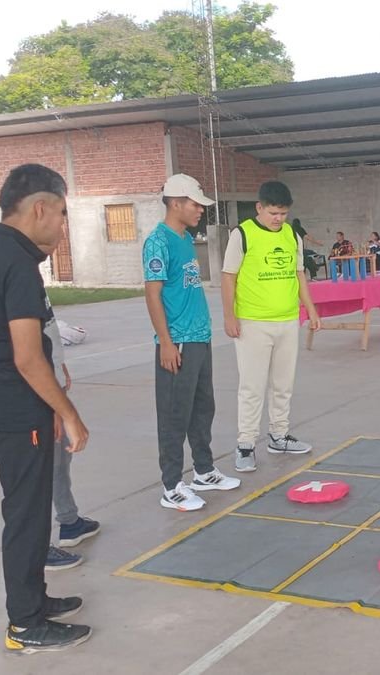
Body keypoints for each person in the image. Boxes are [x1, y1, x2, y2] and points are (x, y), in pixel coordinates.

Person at [0, 163, 91, 653]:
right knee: (28, 517)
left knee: (26, 509)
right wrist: (69, 412)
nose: (62, 225)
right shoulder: (15, 263)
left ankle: (35, 600)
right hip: (16, 407)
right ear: (39, 208)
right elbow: (28, 357)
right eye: (61, 213)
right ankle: (26, 624)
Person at [143, 174, 240, 512]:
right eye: (195, 204)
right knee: (174, 415)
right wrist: (166, 342)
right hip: (178, 342)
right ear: (175, 203)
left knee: (202, 408)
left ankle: (204, 470)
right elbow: (152, 295)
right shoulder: (158, 242)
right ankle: (171, 486)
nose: (201, 210)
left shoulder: (185, 238)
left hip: (199, 338)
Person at [221, 180, 321, 474]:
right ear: (259, 207)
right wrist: (229, 316)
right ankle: (246, 444)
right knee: (252, 386)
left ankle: (279, 435)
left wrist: (310, 309)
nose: (278, 219)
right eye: (273, 213)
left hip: (287, 320)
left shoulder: (292, 235)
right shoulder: (242, 234)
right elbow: (228, 277)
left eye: (283, 213)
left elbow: (299, 274)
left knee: (283, 384)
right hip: (253, 323)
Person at [40, 289, 102, 571]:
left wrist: (58, 364)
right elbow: (26, 350)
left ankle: (69, 521)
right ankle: (38, 547)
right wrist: (57, 406)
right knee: (40, 467)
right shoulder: (15, 274)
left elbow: (46, 329)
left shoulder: (30, 277)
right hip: (38, 387)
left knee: (59, 458)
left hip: (49, 375)